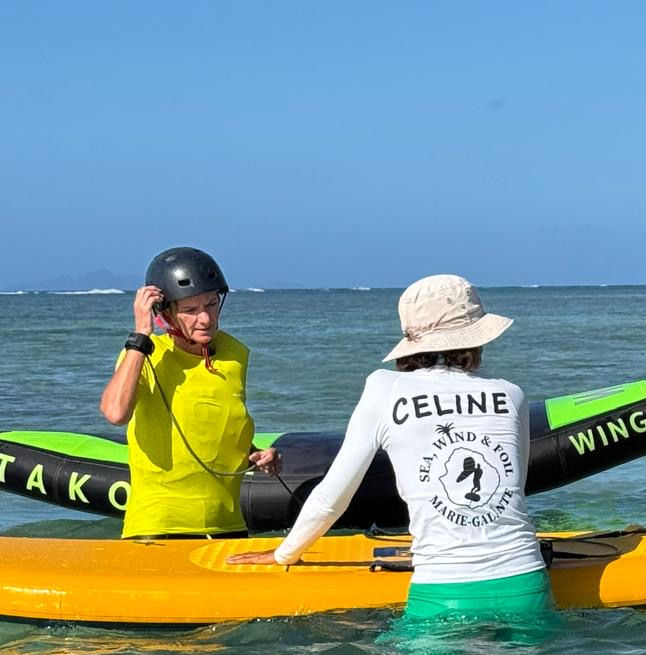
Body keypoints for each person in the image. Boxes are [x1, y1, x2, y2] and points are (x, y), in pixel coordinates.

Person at [228, 275, 552, 629]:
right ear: (476, 338)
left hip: (443, 590)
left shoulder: (385, 388)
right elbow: (513, 485)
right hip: (525, 579)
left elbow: (333, 496)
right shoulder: (511, 393)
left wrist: (284, 554)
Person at [99, 247, 280, 539]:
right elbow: (115, 413)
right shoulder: (146, 354)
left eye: (210, 304)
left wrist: (257, 456)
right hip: (159, 527)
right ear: (165, 314)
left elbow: (213, 426)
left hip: (228, 525)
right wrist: (141, 335)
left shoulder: (235, 354)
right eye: (190, 310)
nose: (205, 319)